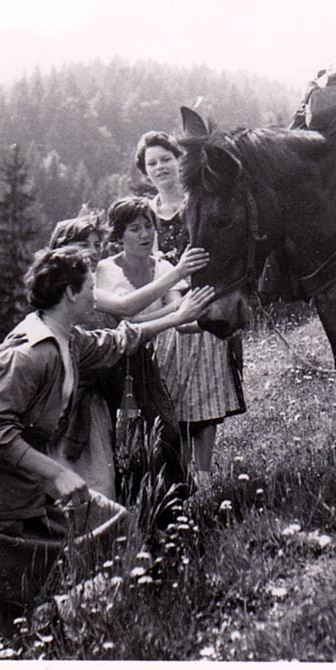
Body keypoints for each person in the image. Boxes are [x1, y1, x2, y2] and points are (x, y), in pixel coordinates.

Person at [0, 247, 213, 659]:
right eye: (89, 288)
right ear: (69, 294)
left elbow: (120, 340)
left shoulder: (68, 340)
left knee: (119, 528)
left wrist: (175, 317)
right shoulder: (29, 354)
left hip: (28, 488)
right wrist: (54, 473)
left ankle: (59, 627)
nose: (95, 296)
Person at [134, 131, 246, 493]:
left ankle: (205, 473)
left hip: (201, 297)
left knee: (207, 387)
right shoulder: (146, 214)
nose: (160, 167)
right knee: (173, 392)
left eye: (165, 159)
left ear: (178, 160)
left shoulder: (195, 201)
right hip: (165, 308)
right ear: (144, 171)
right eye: (152, 163)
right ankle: (180, 477)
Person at [93, 195, 210, 503]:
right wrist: (176, 309)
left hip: (144, 361)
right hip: (108, 365)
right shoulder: (105, 270)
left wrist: (217, 320)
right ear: (119, 235)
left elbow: (183, 320)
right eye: (134, 228)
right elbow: (126, 316)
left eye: (149, 226)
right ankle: (134, 507)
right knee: (121, 442)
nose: (145, 234)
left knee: (166, 432)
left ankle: (173, 506)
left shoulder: (164, 266)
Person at [47, 211, 117, 497]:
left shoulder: (97, 283)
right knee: (83, 481)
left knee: (98, 479)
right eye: (85, 244)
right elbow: (125, 309)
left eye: (98, 245)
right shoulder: (63, 289)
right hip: (66, 402)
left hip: (98, 395)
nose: (93, 251)